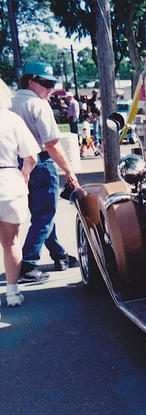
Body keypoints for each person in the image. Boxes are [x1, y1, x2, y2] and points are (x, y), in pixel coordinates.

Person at [11, 61, 80, 280]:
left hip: (15, 164)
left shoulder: (10, 103)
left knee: (41, 214)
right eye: (46, 83)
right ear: (31, 81)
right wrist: (69, 171)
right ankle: (28, 263)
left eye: (52, 83)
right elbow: (51, 143)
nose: (50, 88)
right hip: (39, 163)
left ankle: (59, 255)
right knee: (45, 215)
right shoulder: (38, 104)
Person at [0, 79, 40, 309]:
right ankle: (12, 293)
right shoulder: (12, 120)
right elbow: (31, 157)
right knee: (11, 243)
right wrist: (24, 176)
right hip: (9, 183)